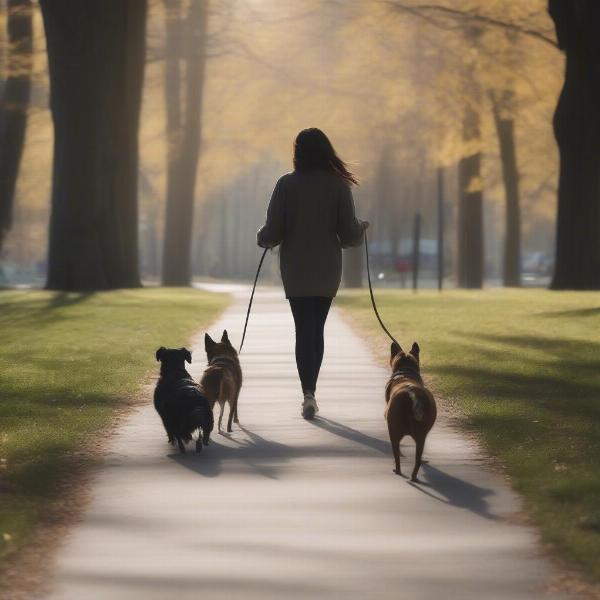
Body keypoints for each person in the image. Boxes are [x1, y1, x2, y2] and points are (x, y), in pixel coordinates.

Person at [257, 128, 368, 419]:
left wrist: (262, 236)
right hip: (326, 268)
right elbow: (348, 234)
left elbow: (273, 231)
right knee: (316, 329)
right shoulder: (339, 186)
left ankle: (307, 392)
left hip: (295, 269)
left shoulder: (285, 184)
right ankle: (311, 392)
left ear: (298, 153)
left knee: (302, 329)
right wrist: (361, 228)